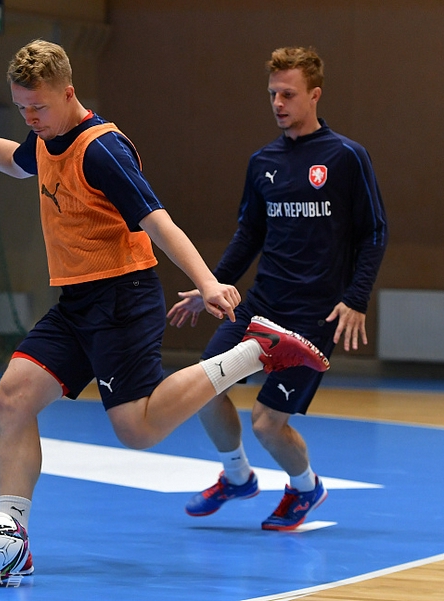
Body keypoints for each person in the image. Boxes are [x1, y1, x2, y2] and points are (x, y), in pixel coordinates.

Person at [0, 39, 329, 578]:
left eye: (38, 107)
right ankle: (12, 541)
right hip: (77, 302)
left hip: (123, 299)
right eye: (21, 108)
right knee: (12, 398)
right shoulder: (46, 138)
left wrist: (207, 282)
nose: (30, 118)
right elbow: (14, 161)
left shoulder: (102, 150)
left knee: (137, 430)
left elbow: (158, 221)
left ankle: (256, 351)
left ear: (69, 93)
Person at [167, 46, 387, 530]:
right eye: (272, 94)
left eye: (288, 94)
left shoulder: (346, 157)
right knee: (203, 389)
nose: (278, 103)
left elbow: (374, 232)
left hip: (313, 317)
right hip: (261, 307)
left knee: (267, 422)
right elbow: (249, 234)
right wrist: (212, 285)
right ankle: (237, 477)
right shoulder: (262, 161)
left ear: (315, 95)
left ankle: (305, 488)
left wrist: (356, 298)